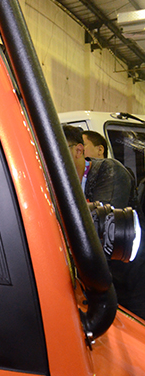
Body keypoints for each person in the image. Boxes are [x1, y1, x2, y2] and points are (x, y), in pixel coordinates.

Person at [63, 124, 144, 318]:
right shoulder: (63, 182)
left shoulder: (109, 170)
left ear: (78, 150)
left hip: (129, 280)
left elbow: (100, 229)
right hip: (99, 283)